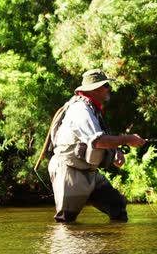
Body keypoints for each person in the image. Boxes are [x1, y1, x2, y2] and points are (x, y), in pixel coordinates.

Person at [48, 69, 146, 222]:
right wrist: (127, 139)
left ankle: (110, 245)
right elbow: (98, 142)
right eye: (106, 85)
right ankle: (63, 247)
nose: (109, 89)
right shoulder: (80, 110)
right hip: (70, 172)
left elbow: (100, 137)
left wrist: (115, 151)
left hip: (89, 173)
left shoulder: (93, 109)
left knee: (118, 207)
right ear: (95, 89)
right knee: (66, 222)